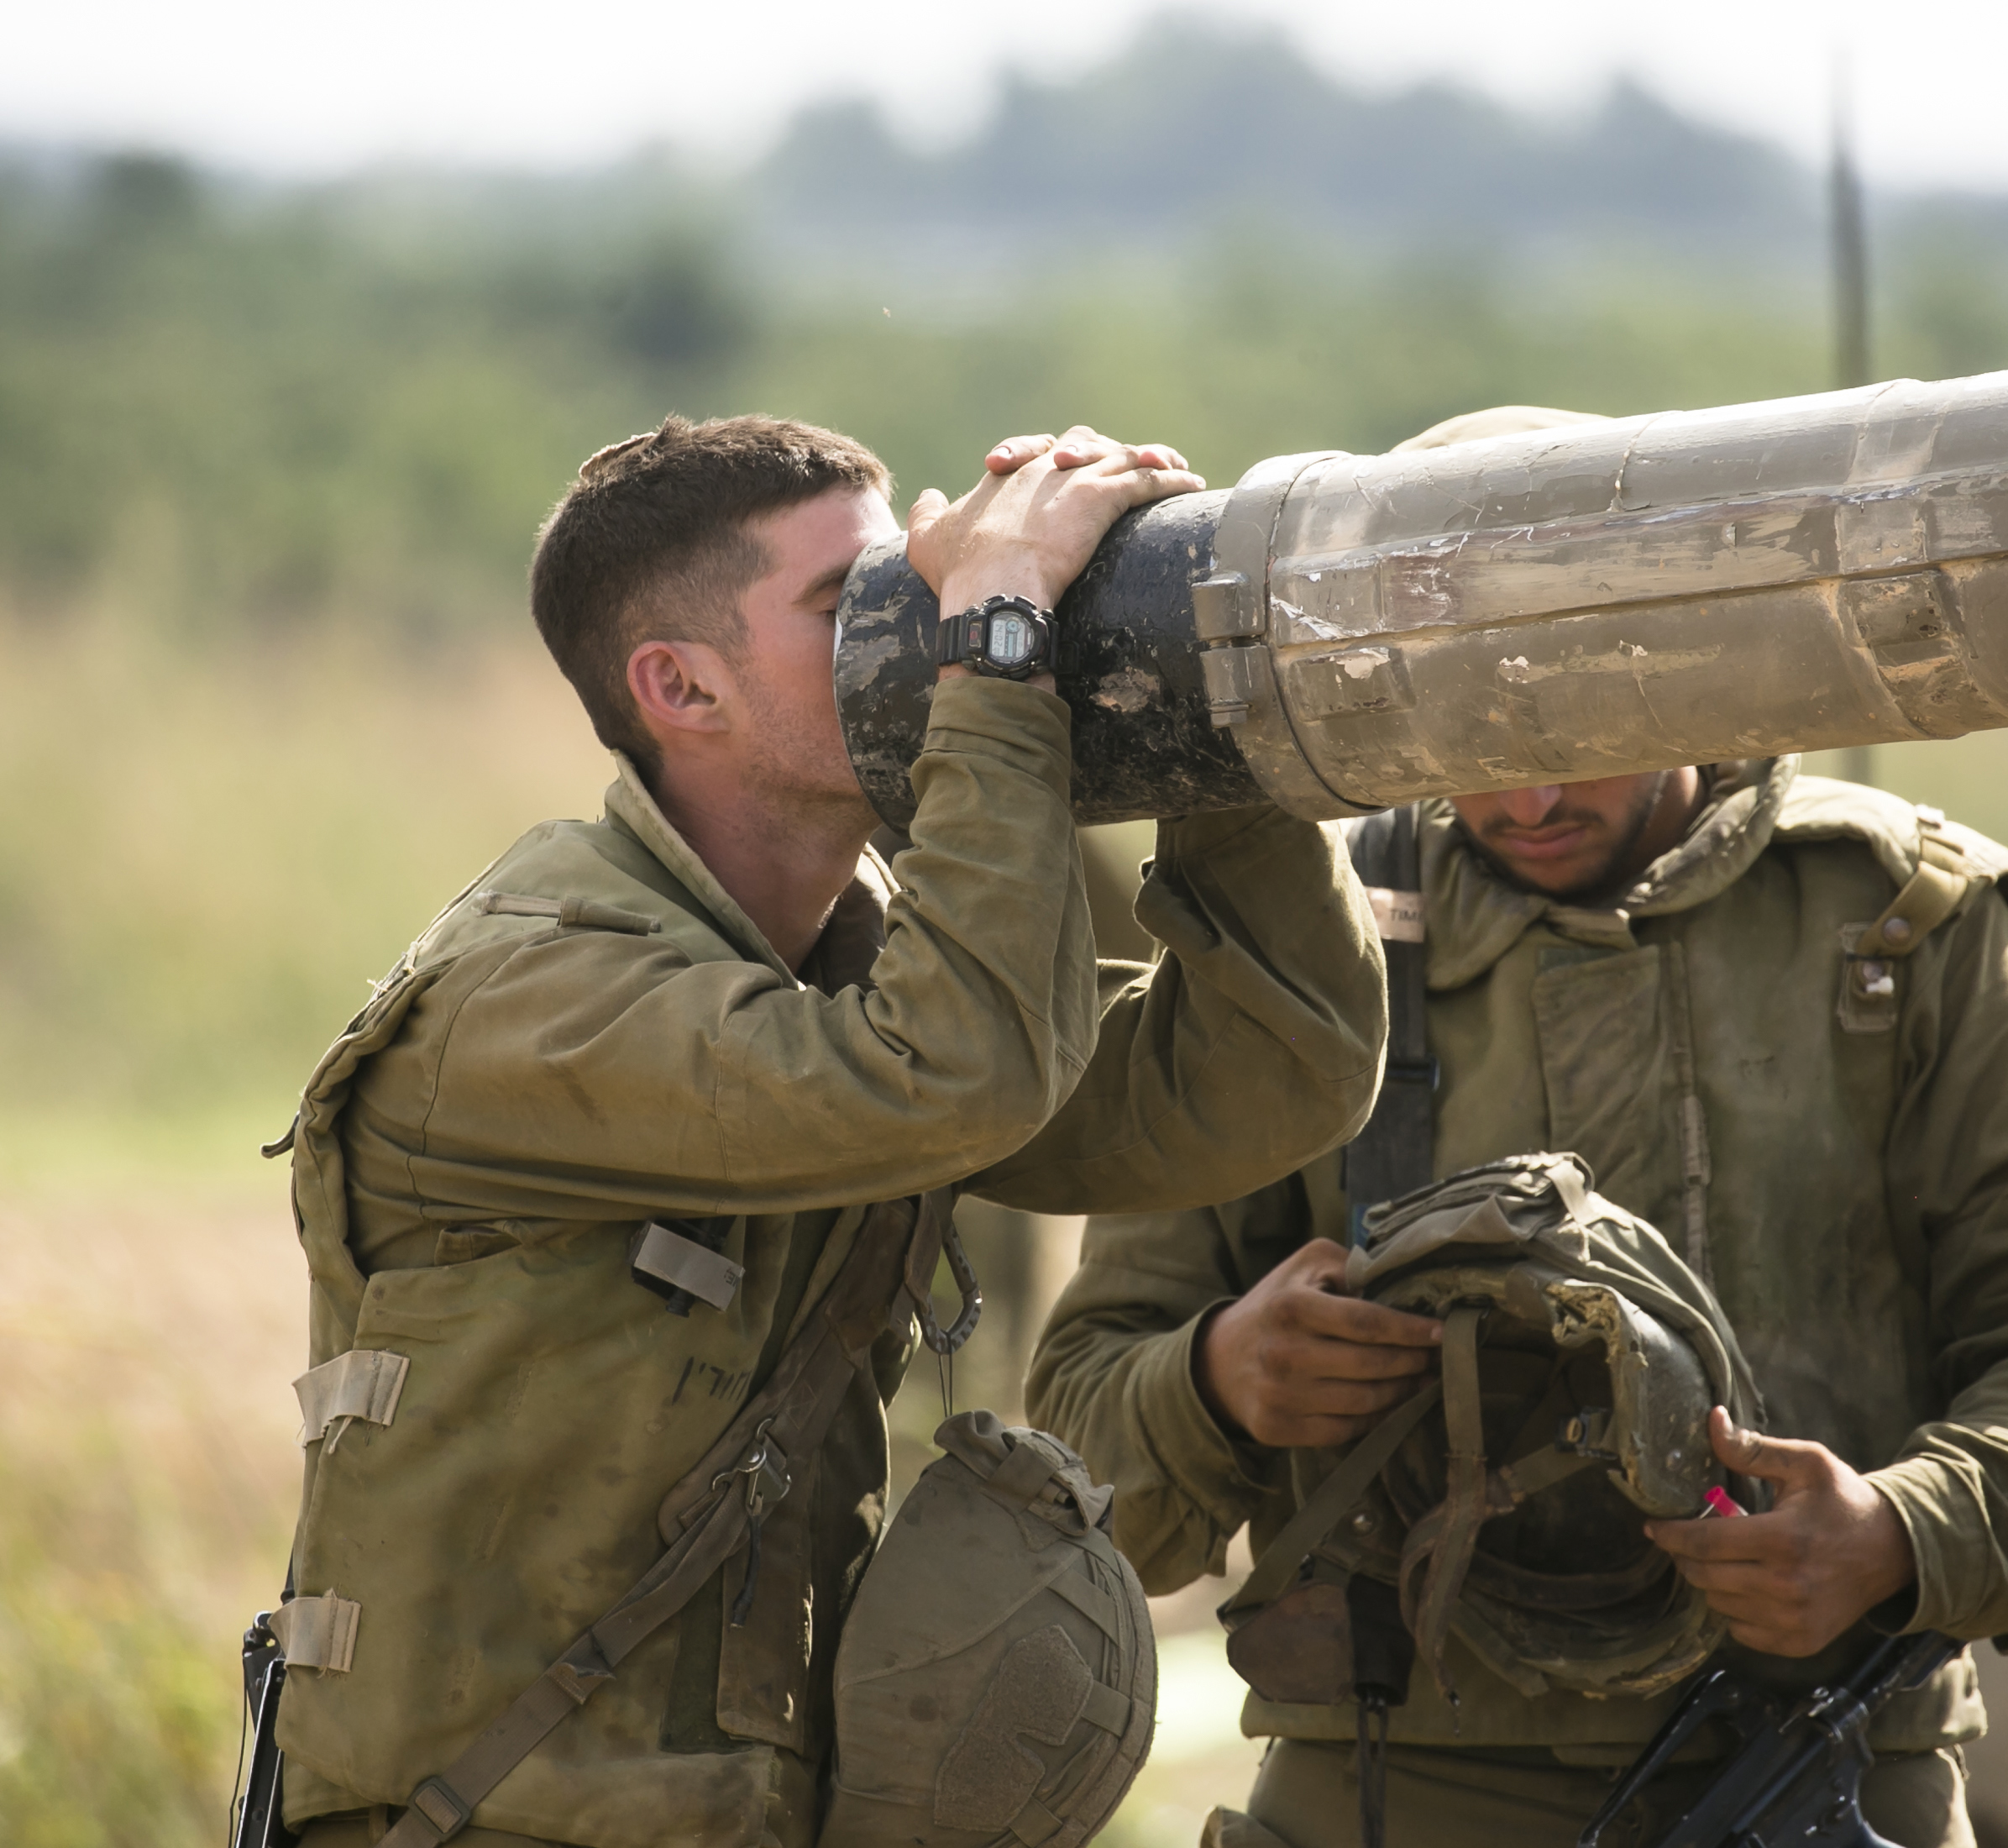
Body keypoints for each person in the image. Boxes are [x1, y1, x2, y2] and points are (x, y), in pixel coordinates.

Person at [1027, 408, 2008, 1848]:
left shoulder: (1904, 929)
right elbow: (1076, 1443)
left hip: (1817, 1761)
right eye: (1470, 738)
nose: (1528, 796)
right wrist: (1217, 1378)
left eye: (1572, 736)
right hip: (1397, 1780)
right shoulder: (1298, 950)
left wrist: (1895, 1533)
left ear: (1681, 675)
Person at [264, 414, 1387, 1848]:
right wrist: (997, 641)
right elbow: (947, 1078)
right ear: (678, 686)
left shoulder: (843, 983)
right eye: (844, 606)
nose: (904, 635)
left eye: (910, 594)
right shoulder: (535, 998)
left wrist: (1181, 692)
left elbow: (1274, 1066)